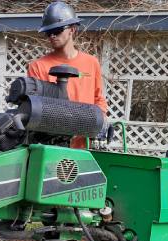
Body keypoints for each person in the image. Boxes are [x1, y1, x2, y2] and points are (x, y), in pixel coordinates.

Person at [27, 1, 107, 148]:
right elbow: (38, 108)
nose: (52, 36)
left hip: (84, 146)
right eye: (48, 32)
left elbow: (98, 99)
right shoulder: (38, 67)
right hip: (52, 145)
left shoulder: (91, 63)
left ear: (72, 29)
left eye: (57, 31)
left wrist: (101, 121)